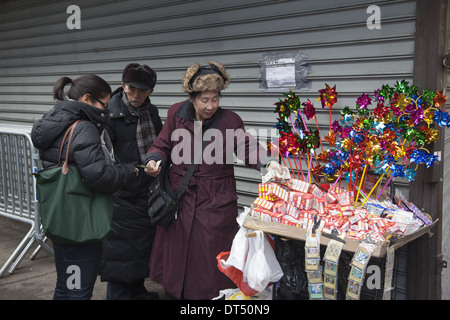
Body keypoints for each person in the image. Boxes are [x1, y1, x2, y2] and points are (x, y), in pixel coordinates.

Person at [144, 61, 285, 299]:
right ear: (192, 97)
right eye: (204, 99)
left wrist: (268, 162)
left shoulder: (230, 120)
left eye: (215, 98)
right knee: (177, 256)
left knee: (209, 261)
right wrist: (154, 159)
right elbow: (162, 143)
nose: (210, 106)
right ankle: (174, 294)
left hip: (215, 200)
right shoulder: (176, 114)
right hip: (180, 198)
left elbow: (246, 145)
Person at [31, 74, 140, 300]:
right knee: (78, 291)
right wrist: (131, 170)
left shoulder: (54, 120)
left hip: (61, 217)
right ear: (87, 99)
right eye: (103, 104)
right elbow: (98, 175)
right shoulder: (83, 127)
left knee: (66, 286)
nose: (106, 111)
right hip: (80, 224)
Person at [100, 63, 163, 300]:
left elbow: (159, 145)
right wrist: (131, 175)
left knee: (140, 248)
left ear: (151, 91)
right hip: (122, 192)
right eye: (131, 88)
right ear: (123, 85)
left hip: (147, 191)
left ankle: (137, 291)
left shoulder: (151, 113)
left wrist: (157, 164)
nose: (136, 95)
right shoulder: (110, 114)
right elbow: (105, 158)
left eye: (143, 90)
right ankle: (118, 295)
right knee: (121, 250)